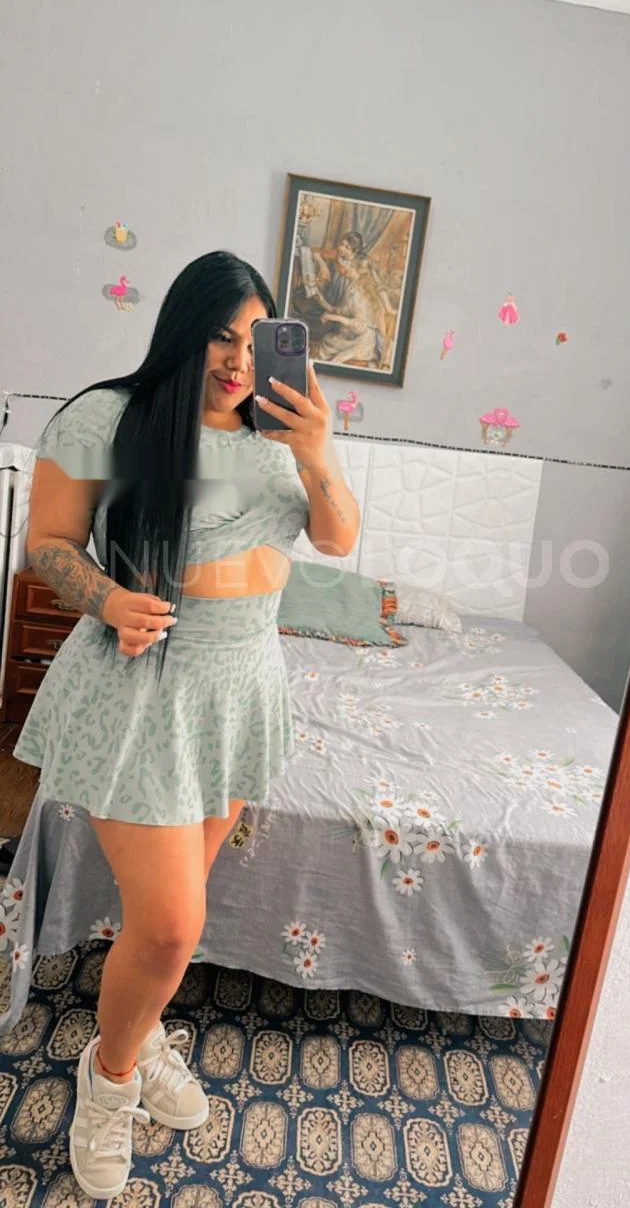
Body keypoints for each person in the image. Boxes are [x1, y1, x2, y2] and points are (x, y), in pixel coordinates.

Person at [18, 250, 360, 1200]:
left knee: (174, 913)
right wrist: (106, 598)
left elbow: (337, 536)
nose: (239, 360)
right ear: (181, 330)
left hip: (241, 687)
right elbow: (48, 541)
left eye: (256, 339)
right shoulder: (108, 418)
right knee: (173, 927)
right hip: (145, 684)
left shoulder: (284, 430)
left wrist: (319, 448)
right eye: (219, 335)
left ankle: (140, 1038)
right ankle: (109, 1081)